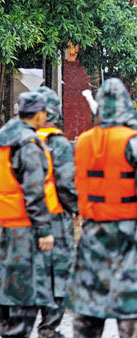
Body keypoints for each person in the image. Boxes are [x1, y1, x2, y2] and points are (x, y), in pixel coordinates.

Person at [66, 78, 137, 338]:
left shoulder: (82, 143)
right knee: (129, 309)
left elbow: (72, 186)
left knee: (88, 310)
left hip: (92, 234)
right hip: (128, 235)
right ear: (126, 107)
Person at [0, 92, 56, 337]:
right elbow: (34, 193)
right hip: (22, 230)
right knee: (24, 297)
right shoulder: (28, 145)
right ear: (39, 114)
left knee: (5, 291)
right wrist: (44, 229)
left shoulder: (4, 139)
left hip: (2, 226)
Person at [35, 86, 78, 338]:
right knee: (59, 274)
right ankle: (48, 327)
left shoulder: (15, 140)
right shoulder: (57, 143)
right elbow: (65, 183)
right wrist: (76, 208)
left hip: (19, 220)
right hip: (53, 219)